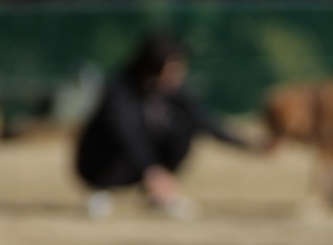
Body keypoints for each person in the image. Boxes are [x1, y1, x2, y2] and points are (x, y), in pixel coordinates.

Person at [74, 33, 251, 219]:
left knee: (183, 129)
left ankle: (156, 195)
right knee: (123, 137)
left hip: (141, 166)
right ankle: (101, 192)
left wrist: (248, 143)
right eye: (172, 68)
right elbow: (126, 134)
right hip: (102, 164)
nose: (177, 74)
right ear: (154, 66)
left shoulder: (168, 89)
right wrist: (151, 169)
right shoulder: (119, 89)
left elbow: (203, 120)